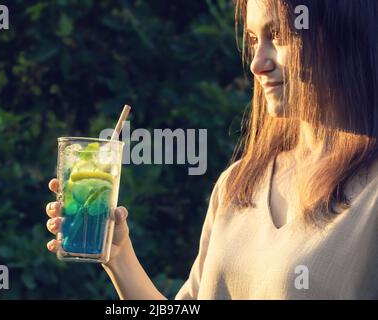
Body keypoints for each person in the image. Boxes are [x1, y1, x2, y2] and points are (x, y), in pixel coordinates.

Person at [45, 0, 378, 299]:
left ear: (340, 35)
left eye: (278, 35)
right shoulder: (238, 184)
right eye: (252, 40)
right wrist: (117, 256)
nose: (257, 63)